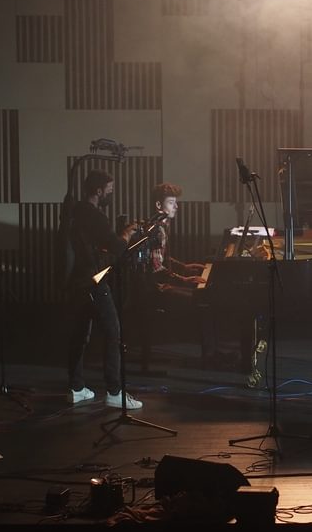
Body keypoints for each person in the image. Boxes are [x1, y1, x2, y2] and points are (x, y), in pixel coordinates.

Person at [65, 169, 143, 410]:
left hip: (76, 282)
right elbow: (117, 246)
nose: (110, 194)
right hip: (94, 281)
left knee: (80, 335)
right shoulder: (95, 216)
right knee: (113, 333)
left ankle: (77, 388)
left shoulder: (74, 211)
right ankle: (114, 392)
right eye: (109, 190)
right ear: (99, 191)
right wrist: (127, 233)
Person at [143, 182, 221, 366]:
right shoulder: (157, 230)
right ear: (158, 206)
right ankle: (210, 357)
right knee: (203, 301)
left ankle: (212, 353)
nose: (176, 206)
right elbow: (156, 269)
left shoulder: (160, 226)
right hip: (156, 291)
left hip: (160, 286)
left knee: (204, 298)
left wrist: (184, 266)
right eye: (171, 203)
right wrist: (184, 279)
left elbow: (161, 259)